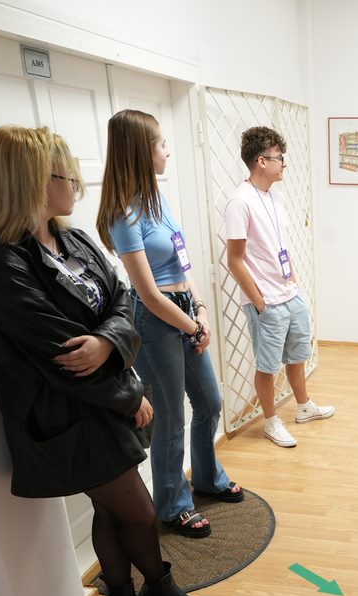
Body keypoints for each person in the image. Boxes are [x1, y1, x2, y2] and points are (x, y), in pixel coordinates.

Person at [0, 126, 209, 596]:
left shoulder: (72, 239)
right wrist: (130, 395)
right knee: (138, 512)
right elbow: (60, 357)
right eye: (67, 176)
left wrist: (106, 342)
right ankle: (156, 588)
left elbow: (122, 300)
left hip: (103, 400)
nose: (77, 186)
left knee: (111, 507)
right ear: (33, 181)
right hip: (68, 415)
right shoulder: (1, 261)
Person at [97, 109, 242, 538]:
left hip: (182, 310)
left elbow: (182, 264)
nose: (167, 151)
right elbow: (148, 294)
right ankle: (173, 505)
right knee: (171, 417)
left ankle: (207, 479)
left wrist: (200, 308)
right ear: (141, 152)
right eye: (161, 144)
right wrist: (191, 326)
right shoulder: (123, 215)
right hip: (156, 321)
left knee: (210, 402)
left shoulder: (157, 201)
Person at [225, 126, 335, 448]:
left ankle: (304, 407)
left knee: (298, 354)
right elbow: (235, 260)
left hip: (289, 293)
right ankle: (271, 421)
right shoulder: (239, 202)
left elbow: (279, 246)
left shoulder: (275, 196)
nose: (284, 163)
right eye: (279, 157)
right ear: (262, 161)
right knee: (268, 366)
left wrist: (294, 284)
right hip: (267, 302)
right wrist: (259, 302)